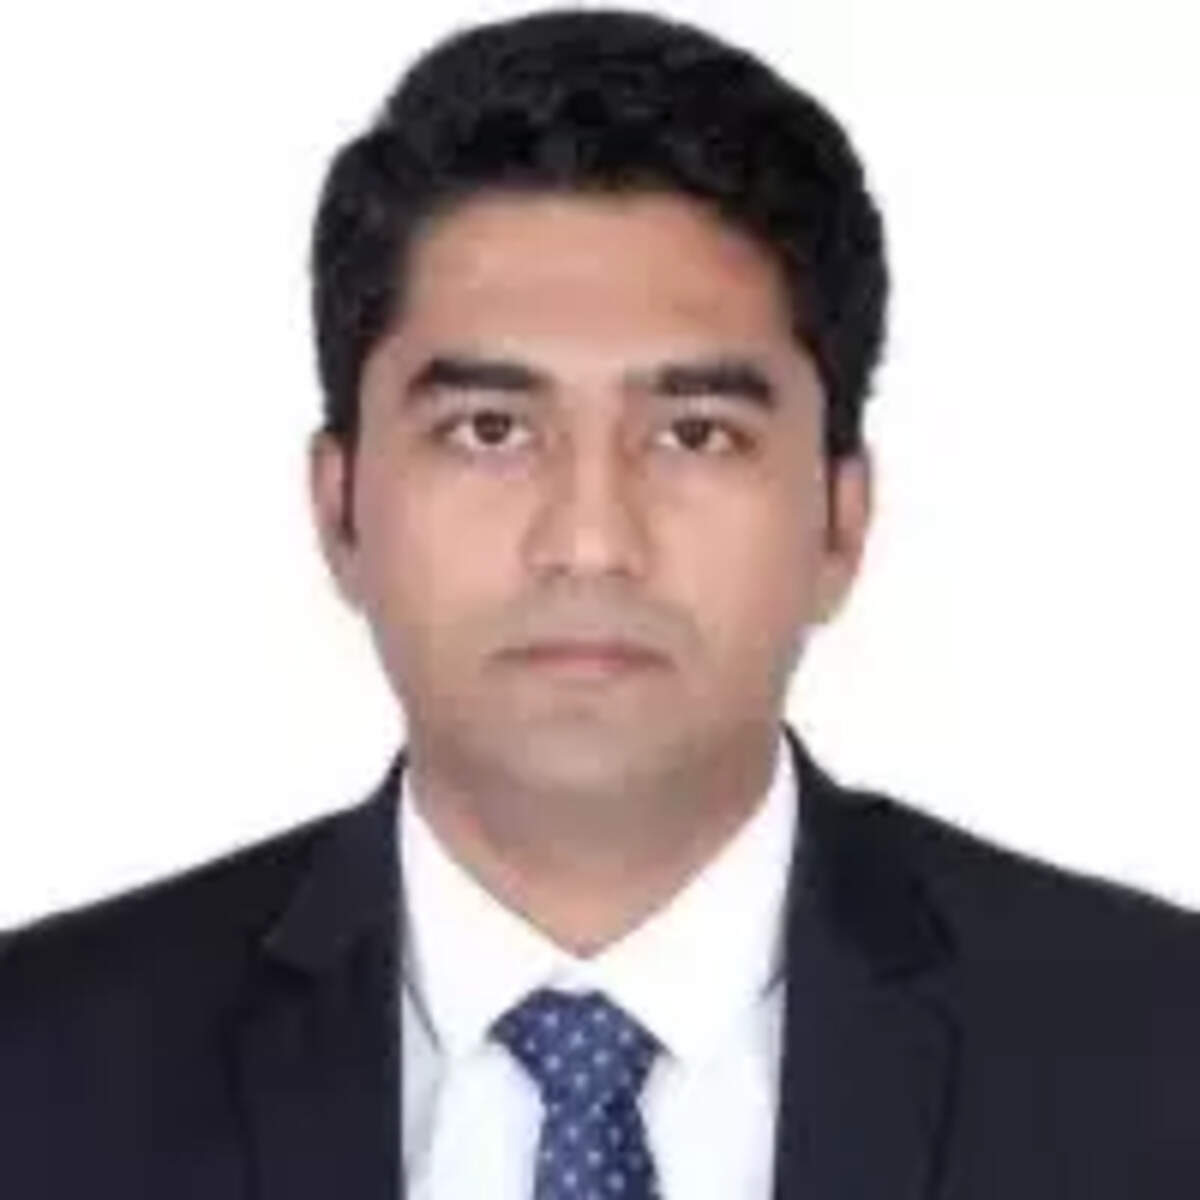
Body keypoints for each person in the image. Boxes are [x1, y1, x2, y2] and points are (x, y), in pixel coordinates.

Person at [2, 7, 1198, 1199]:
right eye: (489, 430)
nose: (589, 543)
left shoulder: (1159, 1057)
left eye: (695, 434)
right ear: (340, 508)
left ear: (841, 519)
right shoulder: (37, 1074)